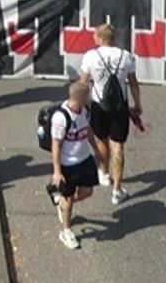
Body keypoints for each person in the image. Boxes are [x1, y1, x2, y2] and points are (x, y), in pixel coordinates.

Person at [78, 23, 140, 204]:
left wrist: (81, 105)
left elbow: (83, 83)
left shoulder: (91, 56)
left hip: (99, 105)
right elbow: (133, 83)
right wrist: (137, 104)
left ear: (100, 38)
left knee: (101, 139)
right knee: (118, 147)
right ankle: (117, 189)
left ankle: (104, 172)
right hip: (119, 107)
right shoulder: (125, 56)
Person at [48, 79, 98, 250]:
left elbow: (88, 130)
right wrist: (57, 171)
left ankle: (61, 204)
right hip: (68, 164)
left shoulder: (85, 110)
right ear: (81, 97)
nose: (91, 97)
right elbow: (56, 144)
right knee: (68, 200)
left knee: (87, 192)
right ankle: (66, 230)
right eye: (89, 94)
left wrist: (97, 151)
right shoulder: (61, 117)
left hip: (84, 159)